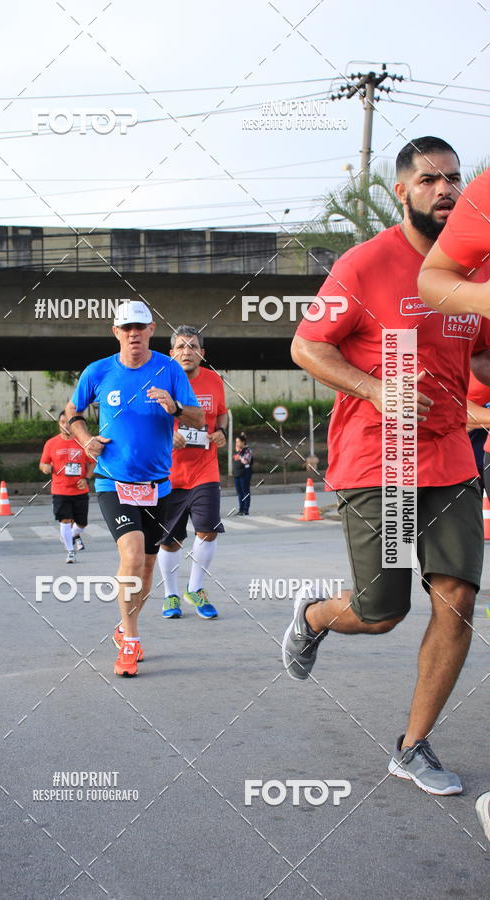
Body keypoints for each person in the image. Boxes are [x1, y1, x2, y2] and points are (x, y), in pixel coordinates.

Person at [285, 136, 490, 796]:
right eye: (430, 179)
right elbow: (306, 345)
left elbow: (481, 358)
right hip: (381, 458)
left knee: (456, 600)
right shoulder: (367, 263)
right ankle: (315, 617)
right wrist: (376, 388)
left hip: (451, 456)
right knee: (382, 612)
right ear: (402, 190)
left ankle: (413, 745)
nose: (447, 190)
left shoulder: (473, 270)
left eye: (455, 178)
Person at [64, 299, 204, 677]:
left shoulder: (170, 369)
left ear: (150, 329)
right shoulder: (98, 371)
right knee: (132, 550)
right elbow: (69, 415)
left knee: (146, 568)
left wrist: (174, 407)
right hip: (113, 480)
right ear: (116, 332)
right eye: (126, 328)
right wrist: (84, 438)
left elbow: (199, 416)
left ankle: (124, 627)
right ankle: (131, 638)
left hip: (157, 484)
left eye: (139, 328)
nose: (133, 334)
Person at [157, 325, 227, 620]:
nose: (188, 351)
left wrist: (221, 431)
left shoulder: (214, 380)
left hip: (205, 469)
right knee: (170, 539)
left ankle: (195, 588)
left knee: (208, 530)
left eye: (193, 346)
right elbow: (145, 422)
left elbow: (221, 412)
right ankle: (171, 594)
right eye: (182, 347)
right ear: (172, 353)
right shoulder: (160, 381)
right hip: (169, 471)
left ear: (202, 353)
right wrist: (166, 436)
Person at [418, 165, 490, 315]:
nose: (444, 191)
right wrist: (480, 299)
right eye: (427, 181)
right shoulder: (485, 191)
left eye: (453, 179)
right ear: (401, 192)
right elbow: (433, 275)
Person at [39, 410, 93, 563]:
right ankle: (70, 551)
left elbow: (92, 463)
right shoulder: (51, 443)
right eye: (62, 422)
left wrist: (86, 478)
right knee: (65, 520)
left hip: (80, 490)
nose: (65, 426)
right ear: (58, 424)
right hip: (60, 490)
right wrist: (46, 468)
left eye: (68, 423)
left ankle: (72, 534)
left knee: (82, 524)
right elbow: (43, 463)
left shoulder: (83, 442)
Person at [232, 433, 253, 515]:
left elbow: (245, 461)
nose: (237, 444)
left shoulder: (247, 450)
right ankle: (241, 509)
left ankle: (246, 510)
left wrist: (239, 453)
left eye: (238, 442)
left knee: (245, 491)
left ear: (243, 442)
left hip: (245, 473)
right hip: (237, 473)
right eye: (236, 442)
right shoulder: (237, 451)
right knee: (239, 492)